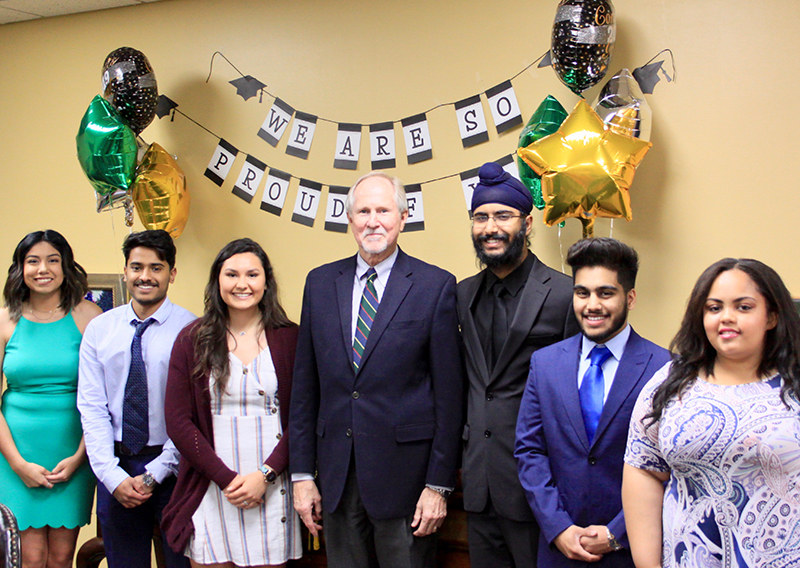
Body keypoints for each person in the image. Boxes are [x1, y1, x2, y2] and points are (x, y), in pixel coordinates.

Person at [289, 171, 464, 568]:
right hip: (335, 479)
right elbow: (305, 390)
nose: (373, 220)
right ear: (349, 219)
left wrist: (438, 485)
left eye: (383, 210)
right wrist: (301, 475)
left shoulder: (434, 286)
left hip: (407, 483)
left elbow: (450, 398)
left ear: (403, 217)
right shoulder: (319, 284)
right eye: (363, 211)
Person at [622, 258, 800, 568]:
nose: (726, 318)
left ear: (771, 316)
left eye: (743, 307)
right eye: (714, 308)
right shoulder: (669, 382)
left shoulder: (794, 384)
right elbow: (643, 469)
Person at [515, 237, 670, 568]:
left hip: (632, 550)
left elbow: (669, 466)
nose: (592, 304)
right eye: (582, 293)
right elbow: (529, 450)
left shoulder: (665, 368)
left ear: (630, 298)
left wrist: (616, 533)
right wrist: (558, 528)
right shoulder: (545, 364)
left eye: (606, 293)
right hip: (559, 549)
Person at [457, 162, 579, 568]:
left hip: (539, 486)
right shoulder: (460, 295)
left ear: (527, 224)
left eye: (503, 216)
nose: (490, 227)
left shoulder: (565, 294)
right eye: (481, 217)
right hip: (478, 484)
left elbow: (576, 396)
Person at [162, 238, 302, 566]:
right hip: (210, 483)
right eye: (231, 274)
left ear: (266, 282)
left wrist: (264, 475)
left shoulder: (291, 338)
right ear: (217, 281)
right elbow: (177, 420)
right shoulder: (191, 339)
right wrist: (227, 479)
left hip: (271, 482)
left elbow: (304, 417)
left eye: (252, 275)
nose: (242, 284)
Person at [78, 229, 195, 568]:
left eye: (156, 268)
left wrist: (154, 474)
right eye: (137, 267)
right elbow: (92, 407)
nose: (145, 276)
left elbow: (192, 415)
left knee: (181, 562)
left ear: (172, 273)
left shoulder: (192, 331)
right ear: (125, 271)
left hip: (175, 466)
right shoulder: (100, 330)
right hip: (115, 465)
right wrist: (113, 477)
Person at [0, 230, 101, 568]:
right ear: (20, 269)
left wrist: (79, 457)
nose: (43, 269)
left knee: (60, 558)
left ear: (65, 266)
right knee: (29, 558)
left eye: (53, 260)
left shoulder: (90, 316)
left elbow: (104, 398)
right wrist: (17, 463)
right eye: (33, 261)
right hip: (15, 454)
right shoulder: (3, 320)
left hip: (73, 453)